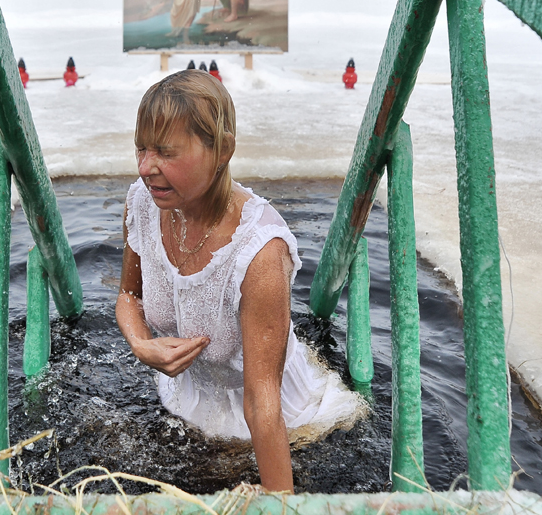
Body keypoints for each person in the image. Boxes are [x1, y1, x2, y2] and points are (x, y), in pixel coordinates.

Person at [116, 71, 368, 493]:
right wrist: (141, 345)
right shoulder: (143, 202)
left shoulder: (259, 251)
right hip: (185, 399)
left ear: (222, 150)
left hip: (286, 419)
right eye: (141, 149)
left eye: (165, 152)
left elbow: (262, 404)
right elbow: (128, 295)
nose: (146, 168)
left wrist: (280, 505)